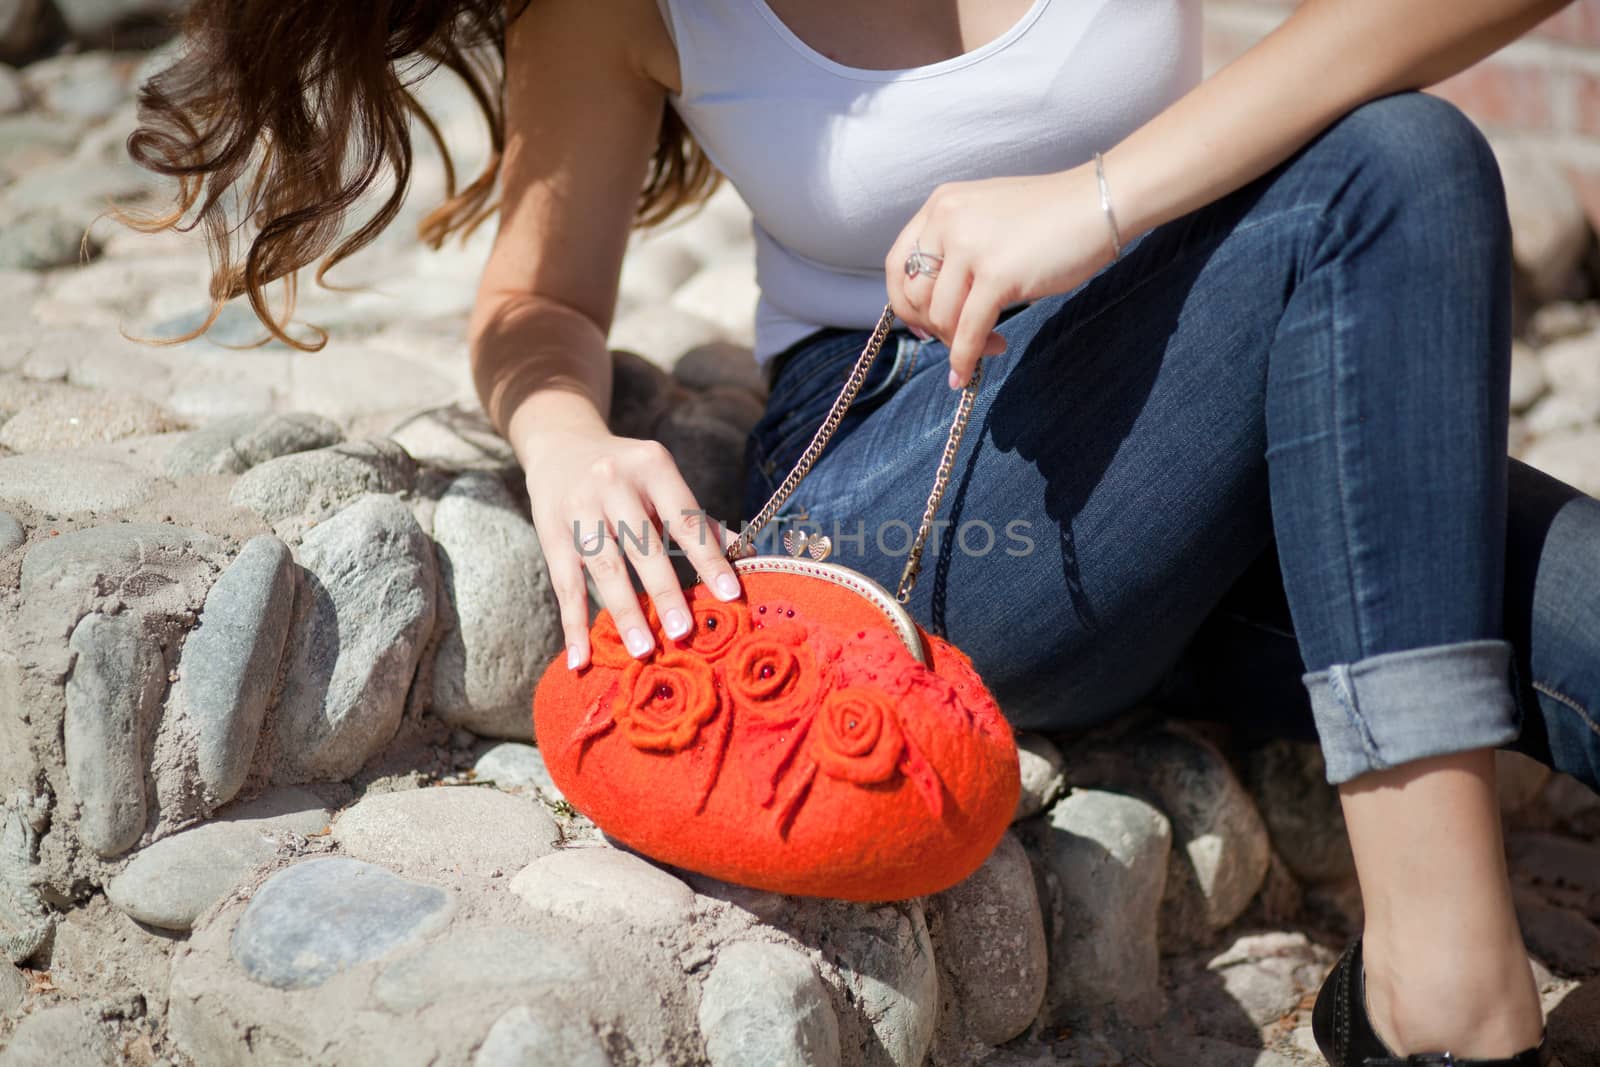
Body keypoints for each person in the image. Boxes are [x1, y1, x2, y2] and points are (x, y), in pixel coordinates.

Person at [126, 1, 1600, 1062]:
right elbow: (540, 304)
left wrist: (1095, 204)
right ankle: (1449, 1005)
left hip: (1206, 403)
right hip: (913, 491)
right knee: (1396, 164)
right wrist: (566, 437)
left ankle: (1392, 1005)